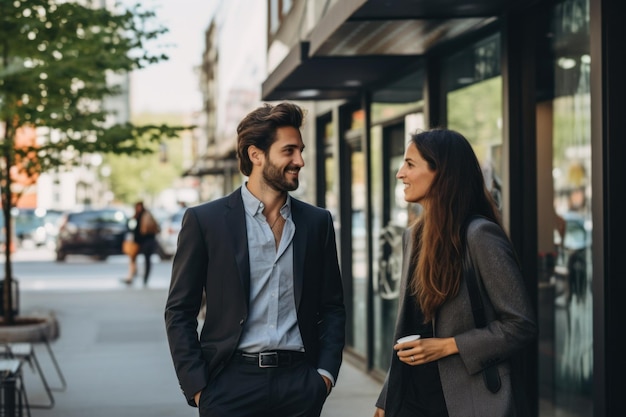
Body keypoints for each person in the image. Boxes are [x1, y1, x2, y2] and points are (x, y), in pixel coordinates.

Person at [164, 102, 346, 417]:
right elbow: (180, 310)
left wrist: (325, 376)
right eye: (289, 151)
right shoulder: (205, 221)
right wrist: (197, 386)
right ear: (255, 154)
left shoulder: (317, 222)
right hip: (230, 386)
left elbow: (332, 307)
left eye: (300, 150)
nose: (300, 160)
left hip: (300, 385)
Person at [374, 129, 537, 417]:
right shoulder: (412, 237)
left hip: (468, 402)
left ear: (442, 172)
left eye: (410, 164)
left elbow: (520, 324)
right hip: (412, 402)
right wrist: (387, 397)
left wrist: (450, 346)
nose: (400, 173)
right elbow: (408, 330)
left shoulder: (480, 235)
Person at [122, 201, 159, 286]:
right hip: (138, 242)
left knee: (146, 259)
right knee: (133, 259)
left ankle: (144, 278)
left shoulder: (145, 215)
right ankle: (132, 275)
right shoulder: (138, 216)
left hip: (146, 241)